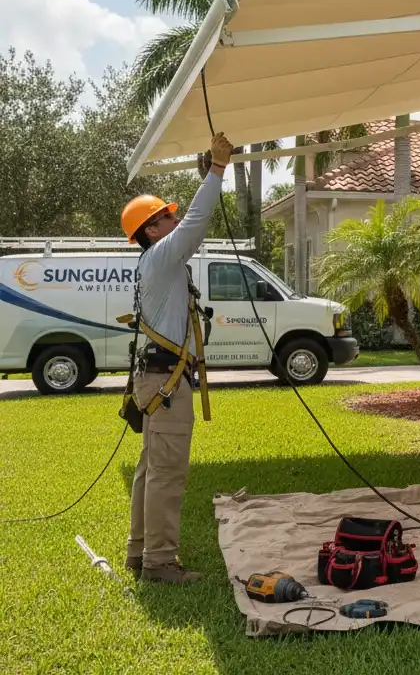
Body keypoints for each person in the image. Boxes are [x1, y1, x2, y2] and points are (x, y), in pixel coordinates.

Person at [121, 132, 234, 584]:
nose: (173, 220)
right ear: (151, 230)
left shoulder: (159, 262)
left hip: (157, 381)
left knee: (152, 470)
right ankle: (159, 563)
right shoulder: (163, 257)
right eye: (165, 216)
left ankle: (138, 552)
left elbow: (187, 223)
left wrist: (206, 171)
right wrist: (217, 172)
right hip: (166, 384)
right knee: (166, 476)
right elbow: (196, 221)